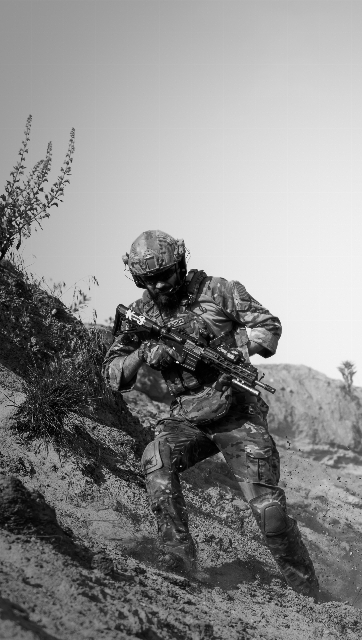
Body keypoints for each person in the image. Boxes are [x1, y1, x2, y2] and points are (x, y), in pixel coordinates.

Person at [102, 230, 318, 596]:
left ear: (181, 265)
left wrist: (239, 348)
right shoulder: (141, 314)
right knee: (156, 457)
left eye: (166, 275)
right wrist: (145, 353)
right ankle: (177, 558)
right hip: (187, 418)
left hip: (237, 414)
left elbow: (270, 327)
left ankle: (308, 590)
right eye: (149, 280)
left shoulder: (219, 291)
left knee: (270, 513)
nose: (160, 285)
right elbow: (113, 375)